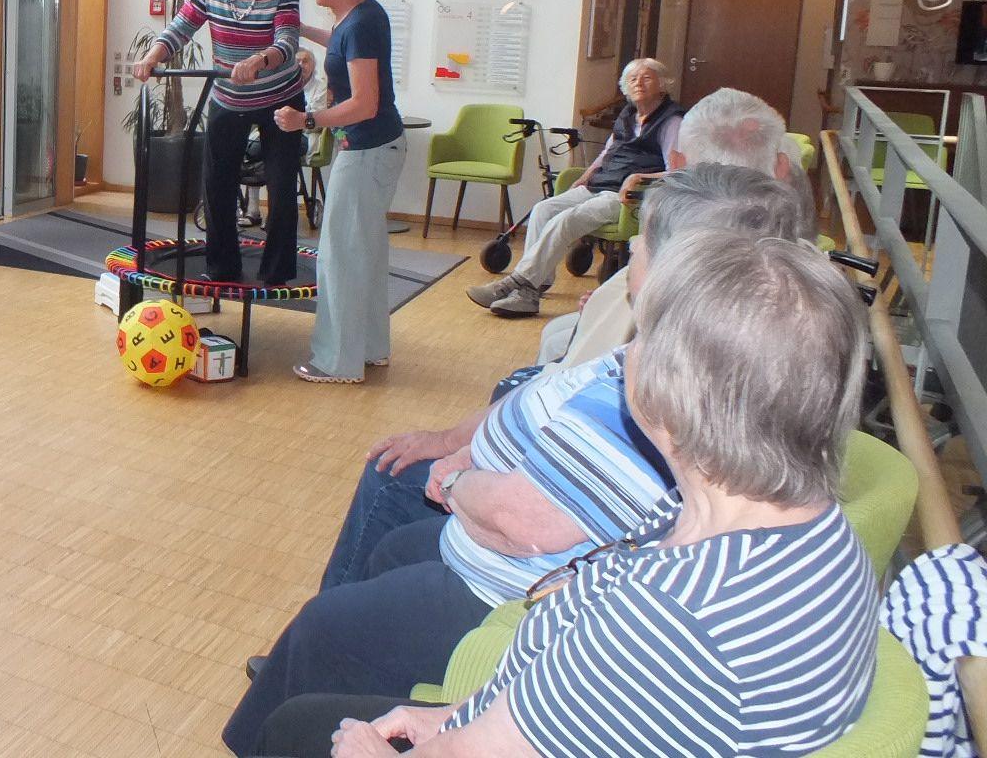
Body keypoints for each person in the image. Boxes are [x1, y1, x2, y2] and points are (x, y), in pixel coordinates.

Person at [224, 165, 809, 755]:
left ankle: (300, 692)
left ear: (677, 271)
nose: (630, 247)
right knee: (388, 550)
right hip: (512, 571)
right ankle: (329, 677)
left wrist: (458, 477)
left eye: (641, 242)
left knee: (318, 639)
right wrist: (461, 446)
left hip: (503, 587)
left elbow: (531, 533)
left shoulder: (666, 404)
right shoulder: (703, 386)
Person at [534, 87, 794, 369]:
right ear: (782, 168)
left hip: (660, 356)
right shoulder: (792, 239)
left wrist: (603, 307)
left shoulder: (670, 227)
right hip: (732, 351)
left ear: (678, 164)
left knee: (556, 343)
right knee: (557, 332)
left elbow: (642, 313)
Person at [131, 0, 306, 286]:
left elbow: (288, 42)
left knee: (280, 185)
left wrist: (259, 60)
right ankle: (222, 265)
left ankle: (276, 272)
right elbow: (183, 25)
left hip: (280, 97)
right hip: (228, 96)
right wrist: (153, 55)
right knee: (217, 182)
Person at [271, 0, 405, 384]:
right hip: (378, 148)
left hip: (366, 152)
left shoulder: (361, 24)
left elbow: (365, 104)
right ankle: (369, 349)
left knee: (339, 257)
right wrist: (300, 29)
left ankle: (336, 362)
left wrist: (306, 120)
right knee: (364, 253)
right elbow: (341, 44)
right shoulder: (362, 15)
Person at [468, 58, 683, 319]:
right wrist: (586, 175)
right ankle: (534, 287)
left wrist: (640, 177)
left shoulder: (671, 120)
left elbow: (678, 172)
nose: (639, 83)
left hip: (626, 197)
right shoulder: (627, 115)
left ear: (663, 84)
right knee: (544, 209)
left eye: (647, 78)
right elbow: (606, 153)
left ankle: (517, 286)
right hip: (600, 184)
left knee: (568, 219)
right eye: (633, 79)